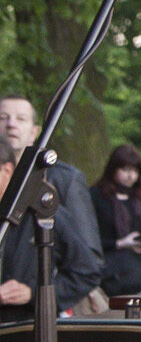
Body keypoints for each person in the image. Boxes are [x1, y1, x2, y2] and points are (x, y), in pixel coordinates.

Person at [0, 94, 104, 291]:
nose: (11, 124)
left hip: (39, 314)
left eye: (20, 119)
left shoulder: (65, 179)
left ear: (35, 132)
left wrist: (34, 292)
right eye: (3, 117)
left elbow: (89, 261)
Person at [0, 137, 102, 323]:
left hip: (25, 331)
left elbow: (87, 272)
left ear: (7, 170)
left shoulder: (42, 213)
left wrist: (32, 292)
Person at [91, 144, 141, 296]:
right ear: (113, 169)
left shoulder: (138, 198)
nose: (131, 176)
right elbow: (89, 238)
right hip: (109, 272)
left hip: (139, 268)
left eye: (135, 171)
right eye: (125, 170)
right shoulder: (97, 196)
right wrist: (120, 244)